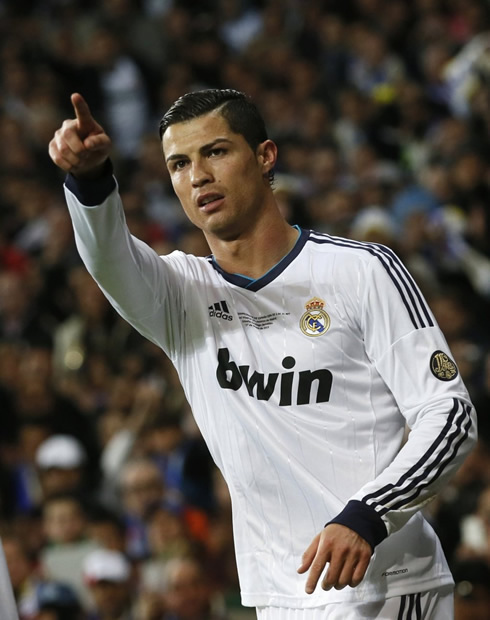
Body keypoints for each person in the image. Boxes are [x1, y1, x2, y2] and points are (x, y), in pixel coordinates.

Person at [48, 88, 478, 619]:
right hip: (278, 594)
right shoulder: (183, 295)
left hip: (386, 585)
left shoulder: (360, 270)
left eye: (216, 152)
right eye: (179, 163)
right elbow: (110, 261)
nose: (198, 175)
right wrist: (91, 181)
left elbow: (449, 413)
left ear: (265, 155)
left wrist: (370, 514)